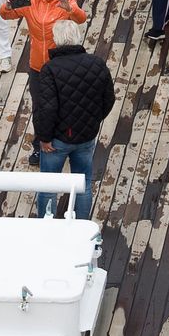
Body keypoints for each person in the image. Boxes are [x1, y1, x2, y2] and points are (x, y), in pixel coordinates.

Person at [29, 20, 115, 221]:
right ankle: (82, 226)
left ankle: (47, 227)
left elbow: (47, 108)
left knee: (48, 187)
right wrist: (93, 120)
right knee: (83, 185)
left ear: (56, 40)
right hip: (86, 137)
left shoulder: (50, 69)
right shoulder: (97, 63)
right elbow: (109, 99)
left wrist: (44, 138)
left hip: (57, 141)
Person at [0, 0, 89, 72]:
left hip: (60, 64)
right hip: (37, 64)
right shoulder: (30, 0)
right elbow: (5, 15)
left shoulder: (67, 0)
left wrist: (70, 9)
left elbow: (81, 19)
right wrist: (7, 7)